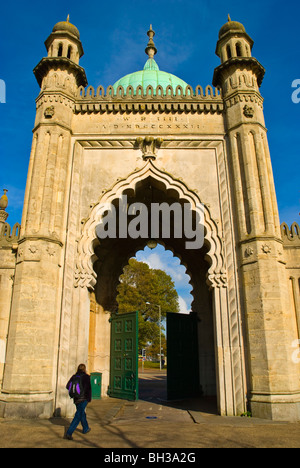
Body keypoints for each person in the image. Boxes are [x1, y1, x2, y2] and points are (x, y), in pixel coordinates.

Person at [65, 364, 92, 440]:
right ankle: (69, 432)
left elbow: (67, 386)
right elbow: (88, 389)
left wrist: (75, 392)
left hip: (76, 399)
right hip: (83, 399)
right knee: (78, 415)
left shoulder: (74, 376)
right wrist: (89, 399)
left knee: (81, 412)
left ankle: (86, 428)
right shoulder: (86, 377)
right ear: (84, 369)